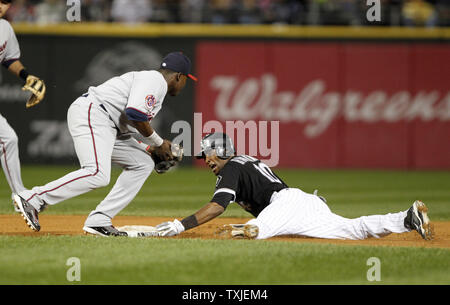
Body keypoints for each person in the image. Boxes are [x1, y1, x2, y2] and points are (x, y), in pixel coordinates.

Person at [13, 51, 197, 236]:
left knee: (142, 163)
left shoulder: (154, 87)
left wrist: (150, 149)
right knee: (97, 173)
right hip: (95, 114)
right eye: (186, 79)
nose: (184, 85)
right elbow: (136, 114)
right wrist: (159, 143)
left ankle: (99, 220)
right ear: (179, 76)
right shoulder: (154, 81)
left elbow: (129, 127)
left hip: (109, 125)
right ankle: (33, 198)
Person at [156, 132, 434, 241]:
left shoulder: (231, 167)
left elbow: (218, 206)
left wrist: (181, 225)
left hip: (286, 204)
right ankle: (407, 218)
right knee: (353, 230)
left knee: (255, 233)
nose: (206, 161)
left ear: (221, 152)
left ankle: (246, 230)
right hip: (303, 203)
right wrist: (179, 151)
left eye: (208, 155)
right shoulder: (241, 161)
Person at [1, 0, 46, 211]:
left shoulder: (5, 28)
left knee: (8, 139)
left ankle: (21, 196)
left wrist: (27, 76)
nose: (1, 6)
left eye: (5, 2)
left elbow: (9, 59)